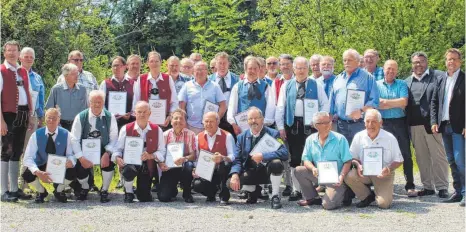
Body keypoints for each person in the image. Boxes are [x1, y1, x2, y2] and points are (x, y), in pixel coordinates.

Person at [275, 56, 329, 201]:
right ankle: (295, 190)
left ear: (308, 69)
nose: (301, 71)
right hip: (292, 125)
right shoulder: (287, 85)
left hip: (310, 126)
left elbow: (325, 104)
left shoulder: (316, 85)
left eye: (304, 68)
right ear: (294, 69)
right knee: (295, 158)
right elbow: (280, 107)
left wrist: (318, 120)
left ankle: (311, 189)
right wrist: (280, 127)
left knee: (311, 157)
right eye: (298, 68)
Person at [405, 51, 449, 198]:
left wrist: (437, 120)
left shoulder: (438, 77)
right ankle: (428, 187)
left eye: (421, 61)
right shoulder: (406, 82)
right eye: (416, 62)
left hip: (432, 125)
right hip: (414, 126)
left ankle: (442, 187)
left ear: (427, 62)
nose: (419, 65)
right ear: (412, 64)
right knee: (421, 158)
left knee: (438, 157)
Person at [228, 107, 288, 209]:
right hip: (250, 171)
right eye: (250, 119)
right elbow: (237, 159)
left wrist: (263, 156)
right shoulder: (241, 137)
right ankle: (254, 190)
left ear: (262, 119)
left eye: (256, 118)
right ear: (247, 121)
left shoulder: (273, 133)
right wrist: (234, 174)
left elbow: (284, 153)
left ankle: (275, 196)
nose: (253, 121)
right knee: (230, 183)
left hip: (268, 171)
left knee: (276, 163)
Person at [345, 109, 404, 209]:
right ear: (364, 123)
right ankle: (367, 196)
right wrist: (358, 165)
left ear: (380, 123)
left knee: (384, 204)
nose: (370, 125)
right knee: (348, 176)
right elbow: (352, 158)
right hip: (364, 173)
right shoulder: (359, 136)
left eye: (374, 121)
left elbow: (399, 160)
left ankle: (381, 192)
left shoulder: (390, 138)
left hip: (383, 174)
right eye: (367, 121)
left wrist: (388, 169)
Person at [294, 111, 352, 209]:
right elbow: (306, 159)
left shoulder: (340, 139)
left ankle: (345, 192)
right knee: (299, 170)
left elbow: (348, 161)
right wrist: (313, 168)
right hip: (320, 175)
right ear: (316, 126)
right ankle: (312, 198)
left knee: (327, 205)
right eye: (324, 123)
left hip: (336, 179)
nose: (328, 124)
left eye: (329, 121)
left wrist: (341, 176)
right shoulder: (310, 140)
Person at [113, 101, 166, 203]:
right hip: (130, 162)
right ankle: (129, 192)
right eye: (139, 112)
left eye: (145, 112)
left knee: (144, 198)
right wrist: (117, 158)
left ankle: (142, 190)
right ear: (135, 113)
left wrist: (152, 155)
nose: (142, 114)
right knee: (128, 170)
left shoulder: (157, 129)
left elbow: (162, 151)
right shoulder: (126, 128)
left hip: (147, 164)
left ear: (150, 113)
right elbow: (117, 149)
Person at [1, 40, 34, 202]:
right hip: (7, 115)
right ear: (4, 53)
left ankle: (14, 189)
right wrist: (1, 121)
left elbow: (27, 92)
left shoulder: (23, 71)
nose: (12, 53)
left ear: (18, 53)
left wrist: (30, 114)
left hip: (23, 114)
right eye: (9, 50)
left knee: (17, 152)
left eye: (15, 50)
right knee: (5, 152)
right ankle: (3, 191)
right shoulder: (1, 71)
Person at [431, 48, 465, 206]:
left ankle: (465, 193)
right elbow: (434, 102)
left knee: (460, 161)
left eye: (454, 59)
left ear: (460, 61)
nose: (451, 62)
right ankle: (457, 192)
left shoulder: (464, 79)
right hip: (444, 126)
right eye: (448, 59)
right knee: (451, 160)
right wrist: (434, 121)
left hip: (459, 127)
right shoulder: (441, 79)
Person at [70, 90, 118, 202]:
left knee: (109, 163)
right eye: (94, 102)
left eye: (99, 102)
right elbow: (74, 140)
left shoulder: (110, 117)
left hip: (103, 149)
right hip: (85, 151)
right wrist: (81, 158)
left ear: (103, 102)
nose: (97, 104)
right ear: (89, 102)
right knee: (80, 168)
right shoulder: (80, 117)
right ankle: (85, 187)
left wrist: (107, 153)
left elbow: (114, 138)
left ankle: (104, 190)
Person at [376, 60, 416, 196]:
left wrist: (385, 102)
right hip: (383, 123)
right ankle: (382, 184)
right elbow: (376, 104)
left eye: (393, 69)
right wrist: (395, 102)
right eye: (388, 68)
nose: (391, 71)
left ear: (397, 71)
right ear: (383, 70)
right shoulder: (376, 85)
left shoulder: (402, 84)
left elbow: (404, 102)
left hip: (400, 122)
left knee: (405, 153)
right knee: (382, 153)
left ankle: (410, 185)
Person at [22, 108, 78, 203]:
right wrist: (37, 172)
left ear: (59, 119)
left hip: (60, 165)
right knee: (27, 174)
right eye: (49, 118)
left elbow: (70, 154)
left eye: (54, 118)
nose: (51, 121)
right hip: (42, 164)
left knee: (73, 170)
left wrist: (71, 161)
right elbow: (28, 158)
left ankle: (58, 190)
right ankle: (42, 192)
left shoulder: (67, 134)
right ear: (45, 119)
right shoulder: (36, 135)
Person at [329, 49, 379, 145]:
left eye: (350, 60)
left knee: (360, 155)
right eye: (344, 60)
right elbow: (332, 103)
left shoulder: (368, 78)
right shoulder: (337, 79)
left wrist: (361, 111)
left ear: (357, 61)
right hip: (340, 125)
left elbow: (374, 101)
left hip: (360, 124)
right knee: (343, 156)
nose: (346, 62)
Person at [193, 111, 235, 205]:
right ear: (203, 123)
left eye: (211, 121)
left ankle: (224, 196)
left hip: (222, 170)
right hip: (207, 171)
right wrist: (195, 169)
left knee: (224, 164)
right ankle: (210, 194)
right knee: (197, 185)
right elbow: (196, 158)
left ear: (218, 122)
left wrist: (223, 157)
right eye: (206, 121)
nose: (208, 124)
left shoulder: (227, 136)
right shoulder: (197, 137)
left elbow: (233, 156)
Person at [227, 56, 276, 135]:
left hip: (261, 129)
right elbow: (232, 106)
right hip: (242, 130)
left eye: (255, 68)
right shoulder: (237, 86)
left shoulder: (266, 86)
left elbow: (271, 108)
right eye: (250, 68)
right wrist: (233, 124)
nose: (252, 71)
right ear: (245, 69)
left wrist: (264, 124)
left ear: (259, 69)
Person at [157, 109, 197, 203]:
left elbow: (193, 155)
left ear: (185, 122)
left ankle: (187, 193)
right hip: (170, 168)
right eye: (175, 118)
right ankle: (173, 190)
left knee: (189, 165)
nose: (178, 121)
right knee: (163, 197)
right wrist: (161, 163)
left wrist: (185, 158)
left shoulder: (191, 134)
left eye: (181, 119)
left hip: (184, 167)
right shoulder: (165, 135)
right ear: (171, 121)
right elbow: (160, 154)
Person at [133, 51, 179, 129]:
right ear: (148, 63)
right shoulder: (141, 79)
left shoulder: (168, 78)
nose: (154, 64)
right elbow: (136, 101)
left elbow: (174, 101)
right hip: (145, 121)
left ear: (161, 62)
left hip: (164, 121)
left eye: (156, 61)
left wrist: (170, 116)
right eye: (151, 61)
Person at [269, 54, 294, 196]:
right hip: (281, 123)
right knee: (285, 155)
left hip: (297, 125)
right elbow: (274, 105)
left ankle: (300, 185)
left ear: (292, 65)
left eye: (287, 64)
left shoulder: (300, 81)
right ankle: (288, 184)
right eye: (282, 64)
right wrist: (278, 126)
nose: (285, 67)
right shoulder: (277, 82)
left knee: (297, 155)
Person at [178, 61, 226, 134]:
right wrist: (184, 123)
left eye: (202, 70)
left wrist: (216, 120)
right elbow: (181, 106)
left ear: (207, 71)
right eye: (197, 70)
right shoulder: (187, 86)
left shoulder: (215, 86)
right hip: (191, 126)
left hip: (210, 127)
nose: (200, 72)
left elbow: (223, 106)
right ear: (193, 71)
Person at [45, 63, 88, 131]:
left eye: (77, 74)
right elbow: (49, 109)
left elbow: (86, 109)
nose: (76, 76)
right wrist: (55, 124)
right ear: (65, 76)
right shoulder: (56, 89)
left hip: (78, 125)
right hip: (61, 125)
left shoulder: (82, 89)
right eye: (73, 74)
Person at [208, 52, 239, 138]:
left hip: (231, 118)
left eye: (224, 63)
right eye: (220, 63)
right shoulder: (209, 80)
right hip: (214, 116)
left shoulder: (237, 79)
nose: (222, 66)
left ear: (229, 64)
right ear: (216, 64)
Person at [100, 56, 135, 129]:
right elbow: (100, 103)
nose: (116, 68)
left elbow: (136, 102)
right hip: (109, 122)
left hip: (128, 122)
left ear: (125, 67)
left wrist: (130, 114)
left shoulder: (133, 84)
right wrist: (109, 115)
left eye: (119, 66)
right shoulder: (105, 83)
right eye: (114, 66)